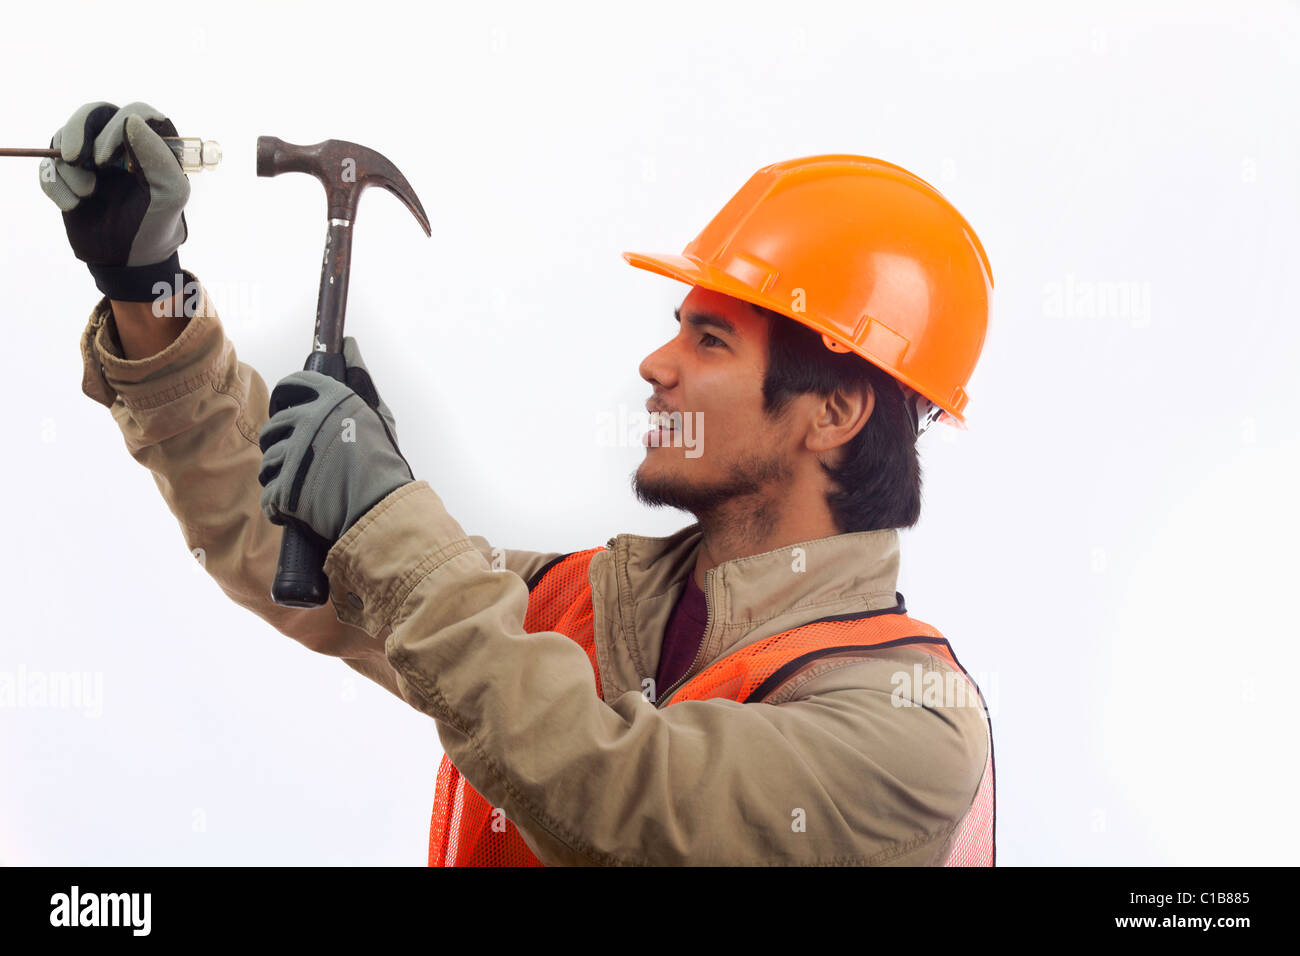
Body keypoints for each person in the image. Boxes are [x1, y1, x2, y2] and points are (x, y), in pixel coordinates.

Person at [44, 100, 996, 866]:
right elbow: (283, 552)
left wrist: (384, 513)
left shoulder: (908, 728)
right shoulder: (583, 607)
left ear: (834, 412)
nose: (657, 365)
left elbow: (627, 803)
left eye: (711, 340)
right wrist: (148, 289)